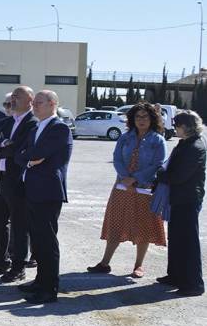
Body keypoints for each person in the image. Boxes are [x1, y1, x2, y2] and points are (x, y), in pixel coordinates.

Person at [87, 103, 167, 278]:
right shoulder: (125, 138)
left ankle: (138, 266)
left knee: (143, 227)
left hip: (145, 189)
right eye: (138, 116)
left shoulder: (157, 140)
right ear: (132, 119)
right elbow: (116, 158)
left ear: (152, 119)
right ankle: (104, 263)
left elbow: (158, 164)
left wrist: (135, 178)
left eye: (145, 116)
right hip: (122, 188)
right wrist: (125, 177)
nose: (141, 120)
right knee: (115, 223)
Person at [16, 90, 73, 304]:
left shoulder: (59, 128)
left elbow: (38, 153)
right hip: (31, 190)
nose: (34, 106)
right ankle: (40, 281)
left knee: (47, 242)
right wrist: (30, 160)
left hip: (48, 192)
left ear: (52, 104)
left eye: (38, 102)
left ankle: (49, 289)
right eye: (34, 103)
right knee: (38, 242)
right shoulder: (36, 127)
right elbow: (20, 154)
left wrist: (29, 158)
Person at [0, 86, 38, 282]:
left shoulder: (32, 122)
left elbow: (21, 149)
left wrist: (4, 145)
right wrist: (3, 144)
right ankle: (0, 260)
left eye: (18, 96)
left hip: (19, 180)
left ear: (30, 100)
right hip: (2, 179)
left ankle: (18, 266)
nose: (13, 99)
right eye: (12, 96)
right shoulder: (7, 121)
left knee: (19, 224)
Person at [156, 110, 206, 297]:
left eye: (176, 125)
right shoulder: (186, 143)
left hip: (188, 199)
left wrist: (160, 175)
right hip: (180, 198)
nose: (174, 128)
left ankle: (194, 284)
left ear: (186, 127)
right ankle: (175, 275)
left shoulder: (195, 147)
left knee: (188, 242)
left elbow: (179, 176)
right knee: (176, 239)